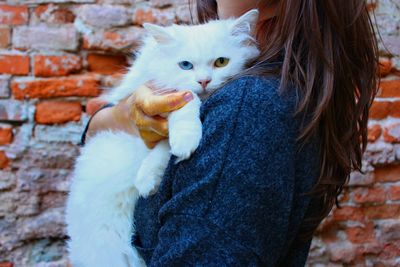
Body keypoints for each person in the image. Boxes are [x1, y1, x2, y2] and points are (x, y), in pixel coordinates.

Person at [80, 0, 378, 266]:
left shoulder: (246, 107)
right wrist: (119, 117)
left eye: (220, 63)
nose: (205, 79)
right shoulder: (280, 90)